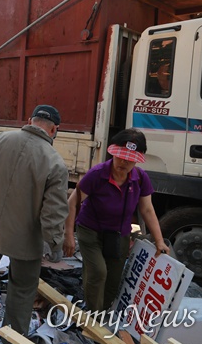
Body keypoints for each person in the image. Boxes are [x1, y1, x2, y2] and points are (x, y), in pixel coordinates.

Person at [0, 104, 69, 335]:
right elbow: (53, 212)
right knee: (22, 288)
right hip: (25, 240)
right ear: (54, 130)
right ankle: (13, 335)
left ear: (30, 120)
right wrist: (55, 244)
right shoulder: (55, 162)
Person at [63, 128, 170, 312]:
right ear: (112, 152)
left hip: (119, 234)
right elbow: (72, 203)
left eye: (130, 158)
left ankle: (103, 312)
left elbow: (147, 209)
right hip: (90, 231)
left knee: (113, 279)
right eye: (120, 156)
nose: (123, 162)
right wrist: (68, 235)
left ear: (138, 158)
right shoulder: (97, 174)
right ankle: (93, 317)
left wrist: (159, 241)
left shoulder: (140, 178)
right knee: (98, 272)